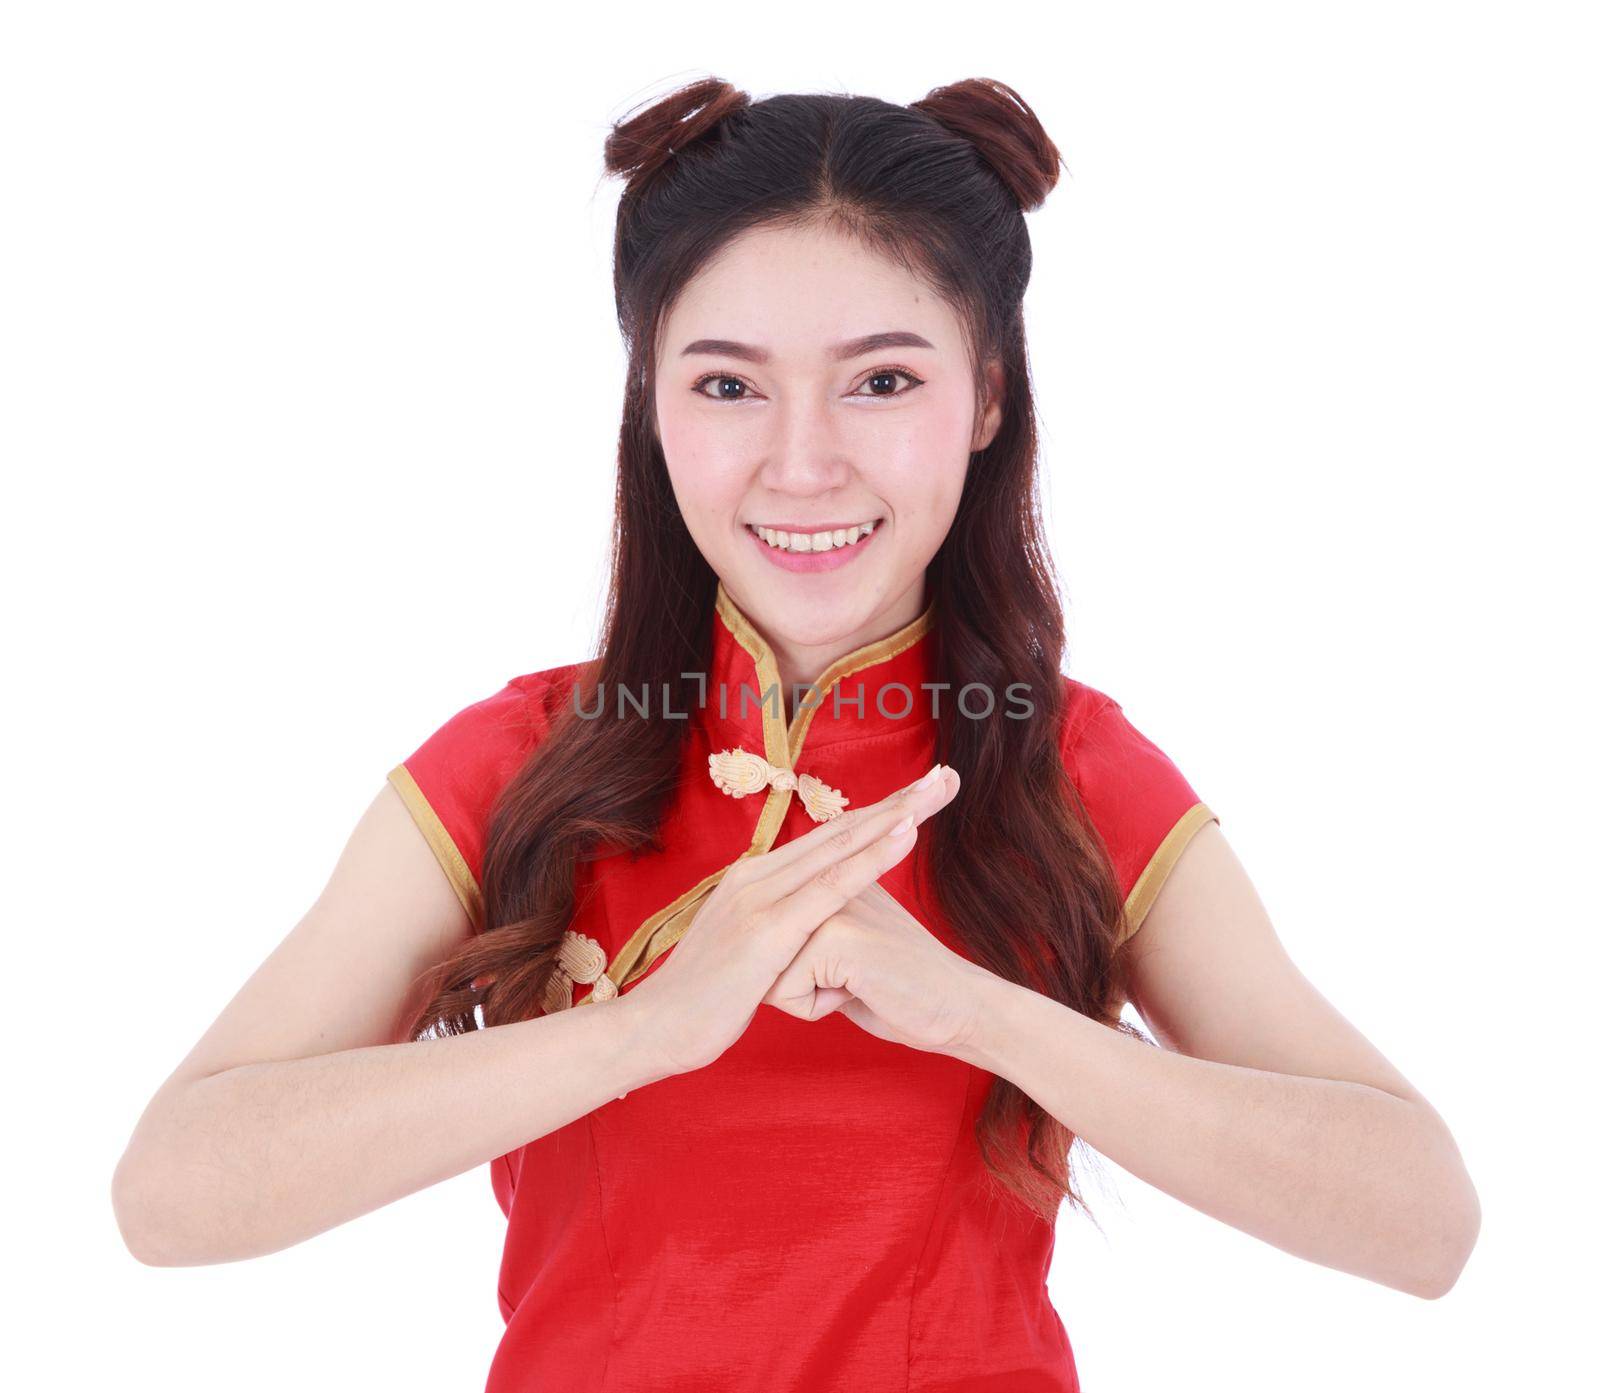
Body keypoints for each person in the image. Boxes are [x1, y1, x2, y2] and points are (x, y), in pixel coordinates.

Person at [112, 76, 1480, 1391]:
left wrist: (980, 1012)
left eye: (882, 382)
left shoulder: (1068, 767)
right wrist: (647, 1028)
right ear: (653, 403)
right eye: (728, 386)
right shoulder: (516, 760)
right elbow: (172, 1191)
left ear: (988, 398)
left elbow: (1422, 1218)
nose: (804, 460)